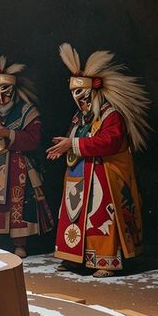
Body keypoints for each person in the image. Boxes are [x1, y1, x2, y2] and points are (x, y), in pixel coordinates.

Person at [47, 44, 151, 277]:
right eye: (74, 93)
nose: (78, 99)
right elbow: (77, 139)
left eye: (81, 93)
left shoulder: (111, 115)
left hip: (104, 177)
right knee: (76, 217)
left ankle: (106, 261)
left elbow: (110, 142)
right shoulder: (80, 118)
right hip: (80, 176)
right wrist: (64, 147)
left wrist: (71, 144)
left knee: (101, 218)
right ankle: (75, 259)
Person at [0, 52, 55, 257]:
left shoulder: (27, 111)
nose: (0, 96)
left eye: (5, 90)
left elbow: (34, 140)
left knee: (17, 202)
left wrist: (8, 133)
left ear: (15, 89)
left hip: (18, 166)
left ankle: (19, 243)